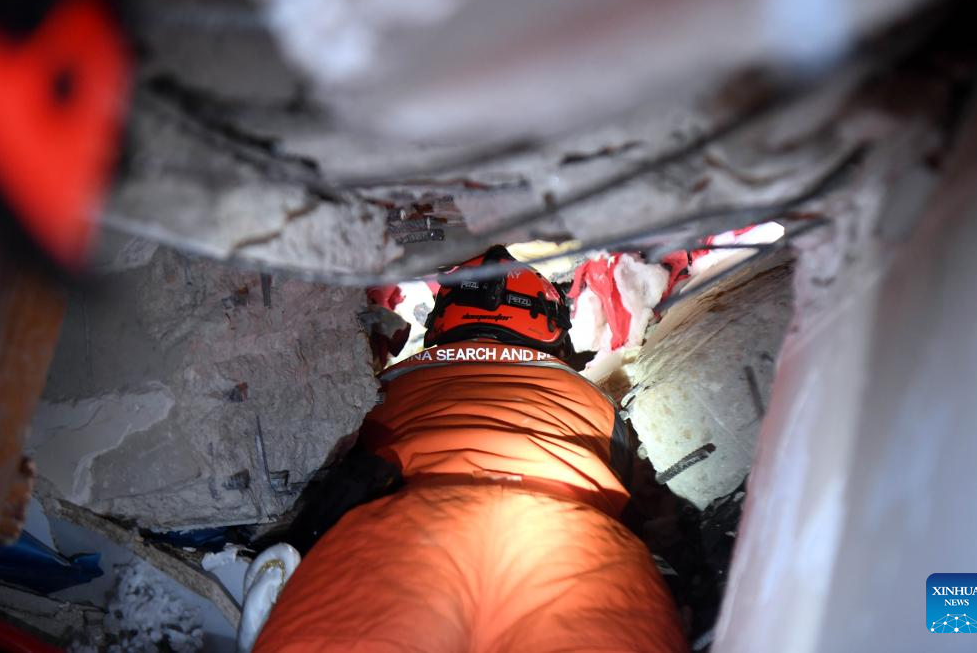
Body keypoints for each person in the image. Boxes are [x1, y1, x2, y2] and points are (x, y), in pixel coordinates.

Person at [254, 246, 687, 652]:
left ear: (444, 319)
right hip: (576, 550)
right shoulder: (593, 401)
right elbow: (641, 505)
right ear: (550, 321)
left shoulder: (383, 386)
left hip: (394, 541)